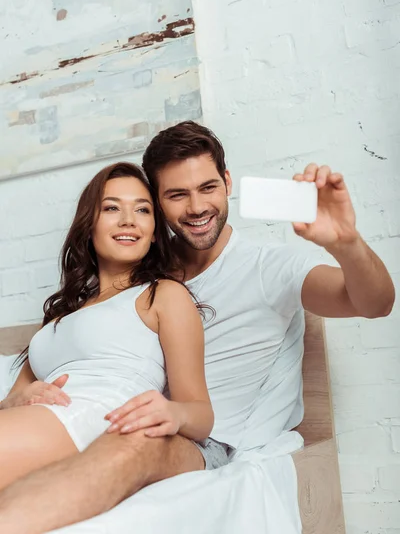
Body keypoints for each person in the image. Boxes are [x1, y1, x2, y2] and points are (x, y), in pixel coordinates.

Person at [0, 122, 394, 534]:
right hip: (120, 416)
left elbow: (374, 303)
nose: (196, 207)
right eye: (175, 195)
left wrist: (345, 242)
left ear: (227, 181)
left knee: (134, 441)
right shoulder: (136, 279)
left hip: (207, 441)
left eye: (208, 187)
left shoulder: (266, 268)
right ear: (159, 204)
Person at [0, 161, 215, 493]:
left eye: (142, 210)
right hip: (40, 418)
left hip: (97, 418)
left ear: (155, 231)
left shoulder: (162, 295)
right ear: (89, 225)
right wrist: (18, 399)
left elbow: (200, 413)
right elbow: (12, 398)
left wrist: (172, 413)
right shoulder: (59, 317)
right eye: (112, 207)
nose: (128, 220)